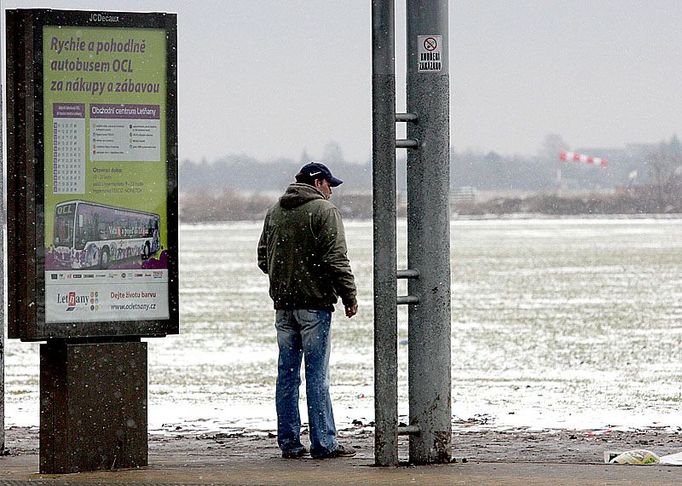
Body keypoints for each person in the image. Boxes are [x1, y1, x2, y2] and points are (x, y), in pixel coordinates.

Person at [257, 162, 358, 459]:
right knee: (317, 376)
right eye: (330, 185)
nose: (331, 192)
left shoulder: (275, 210)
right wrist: (348, 296)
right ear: (318, 183)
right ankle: (324, 443)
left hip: (283, 307)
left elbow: (264, 257)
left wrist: (284, 276)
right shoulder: (324, 212)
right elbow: (336, 259)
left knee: (287, 376)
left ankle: (289, 442)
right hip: (315, 306)